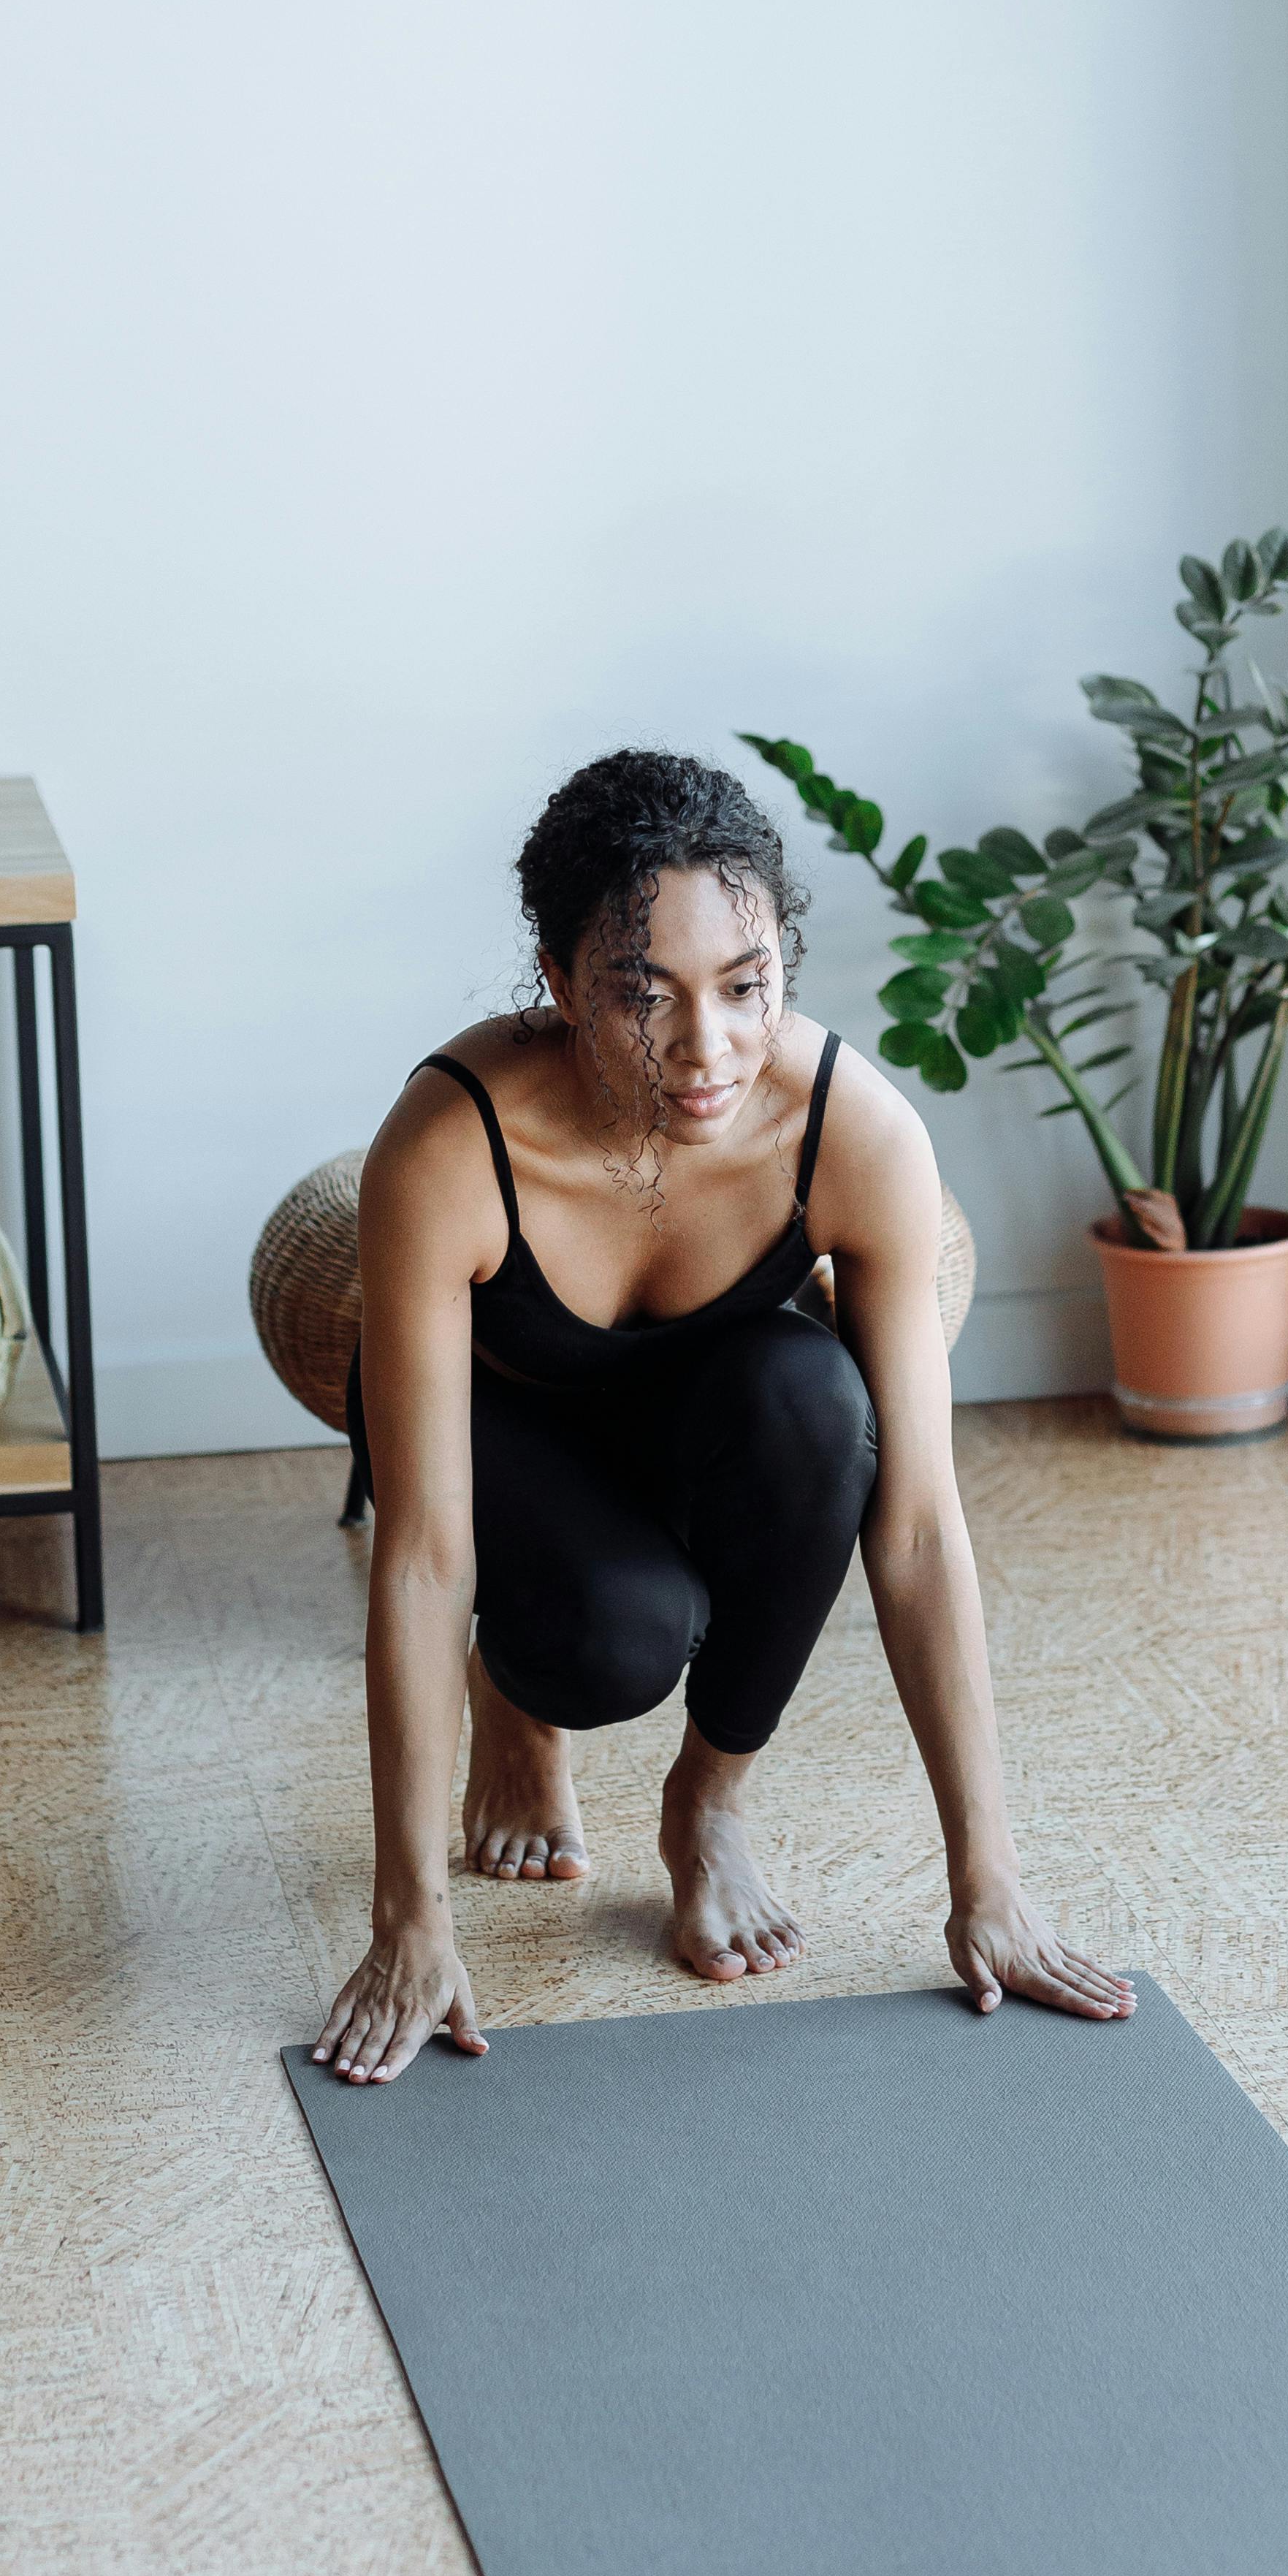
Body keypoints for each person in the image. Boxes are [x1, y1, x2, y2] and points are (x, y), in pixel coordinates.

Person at [309, 748, 1136, 2086]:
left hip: (693, 1421)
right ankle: (517, 1700)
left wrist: (990, 1882)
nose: (708, 1052)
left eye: (745, 989)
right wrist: (409, 1918)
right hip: (497, 1431)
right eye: (644, 996)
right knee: (613, 1643)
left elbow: (917, 1528)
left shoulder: (849, 1130)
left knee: (818, 1402)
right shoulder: (453, 1140)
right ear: (558, 974)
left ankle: (707, 1804)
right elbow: (419, 1551)